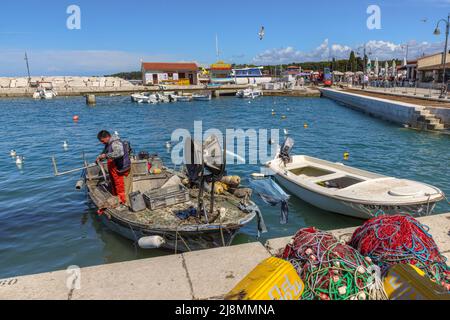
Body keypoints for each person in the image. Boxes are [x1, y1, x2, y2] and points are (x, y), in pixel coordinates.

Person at [96, 130, 132, 205]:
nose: (102, 143)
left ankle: (126, 203)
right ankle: (120, 200)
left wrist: (106, 156)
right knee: (117, 186)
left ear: (107, 137)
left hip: (122, 169)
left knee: (123, 188)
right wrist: (100, 157)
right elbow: (105, 151)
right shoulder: (109, 143)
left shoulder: (115, 143)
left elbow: (120, 153)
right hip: (116, 169)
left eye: (102, 141)